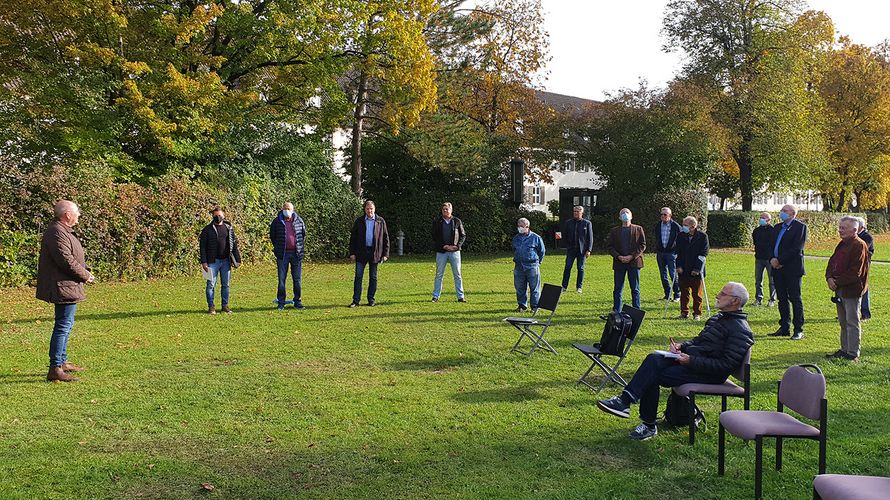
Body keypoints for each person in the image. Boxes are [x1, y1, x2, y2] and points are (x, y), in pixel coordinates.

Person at [596, 282, 755, 440]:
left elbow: (726, 366)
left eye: (723, 294)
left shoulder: (741, 330)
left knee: (653, 374)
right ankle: (630, 406)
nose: (717, 296)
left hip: (710, 374)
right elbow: (698, 341)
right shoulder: (718, 318)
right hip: (694, 363)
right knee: (654, 358)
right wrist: (682, 347)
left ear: (735, 301)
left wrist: (691, 361)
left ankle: (640, 417)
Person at [36, 200, 95, 382]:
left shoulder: (61, 231)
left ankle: (62, 361)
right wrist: (85, 275)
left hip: (67, 285)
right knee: (63, 325)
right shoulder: (56, 232)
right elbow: (66, 260)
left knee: (66, 324)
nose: (78, 216)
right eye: (76, 213)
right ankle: (55, 368)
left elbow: (70, 257)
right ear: (67, 215)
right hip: (62, 286)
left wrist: (85, 271)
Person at [825, 217, 870, 361]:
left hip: (851, 290)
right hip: (840, 289)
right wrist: (829, 277)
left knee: (852, 322)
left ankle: (852, 353)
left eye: (843, 228)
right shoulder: (842, 244)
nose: (840, 230)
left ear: (854, 230)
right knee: (843, 322)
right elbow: (832, 262)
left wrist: (836, 282)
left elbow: (855, 272)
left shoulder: (859, 245)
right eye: (840, 227)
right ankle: (844, 349)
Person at [767, 204, 808, 340]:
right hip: (777, 268)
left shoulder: (800, 227)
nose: (781, 213)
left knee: (795, 298)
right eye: (781, 210)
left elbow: (797, 248)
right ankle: (785, 326)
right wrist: (772, 259)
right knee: (782, 298)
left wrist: (780, 260)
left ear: (792, 214)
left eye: (785, 211)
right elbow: (771, 245)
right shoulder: (778, 227)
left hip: (792, 269)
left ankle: (798, 329)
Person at [199, 206, 242, 314]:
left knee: (226, 284)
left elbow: (234, 244)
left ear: (223, 215)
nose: (217, 217)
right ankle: (211, 307)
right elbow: (202, 247)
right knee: (210, 285)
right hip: (211, 262)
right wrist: (203, 262)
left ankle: (225, 306)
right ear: (212, 216)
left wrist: (237, 259)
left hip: (226, 262)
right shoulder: (207, 230)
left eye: (219, 215)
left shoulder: (229, 228)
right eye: (215, 215)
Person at [349, 200, 389, 307]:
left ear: (374, 209)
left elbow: (386, 238)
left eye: (371, 209)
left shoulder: (380, 221)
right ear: (364, 209)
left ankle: (371, 299)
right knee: (358, 276)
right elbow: (353, 238)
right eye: (367, 209)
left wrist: (385, 254)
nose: (369, 211)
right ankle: (356, 300)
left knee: (373, 277)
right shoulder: (359, 221)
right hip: (361, 252)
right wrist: (352, 253)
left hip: (375, 252)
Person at [605, 208, 646, 311]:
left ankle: (636, 309)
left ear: (631, 216)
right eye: (623, 213)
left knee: (635, 288)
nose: (625, 214)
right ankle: (616, 310)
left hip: (634, 263)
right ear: (619, 217)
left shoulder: (638, 229)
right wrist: (619, 257)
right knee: (618, 289)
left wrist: (632, 256)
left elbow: (642, 245)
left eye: (627, 213)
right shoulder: (614, 231)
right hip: (619, 263)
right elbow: (610, 247)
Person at [269, 202, 307, 310]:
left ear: (293, 210)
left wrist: (298, 247)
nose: (287, 210)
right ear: (282, 209)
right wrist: (278, 247)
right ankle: (281, 302)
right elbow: (273, 236)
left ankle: (297, 301)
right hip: (282, 254)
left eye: (289, 208)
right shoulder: (277, 221)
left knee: (297, 279)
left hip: (296, 254)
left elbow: (303, 235)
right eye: (285, 208)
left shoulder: (299, 221)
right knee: (282, 279)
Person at [431, 202, 466, 303]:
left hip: (455, 252)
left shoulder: (457, 221)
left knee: (457, 274)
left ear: (451, 210)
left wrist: (457, 246)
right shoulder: (437, 222)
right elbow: (434, 236)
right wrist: (443, 246)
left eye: (447, 209)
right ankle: (435, 296)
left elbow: (463, 235)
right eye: (443, 209)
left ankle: (460, 296)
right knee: (439, 274)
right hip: (441, 251)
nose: (445, 211)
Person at [676, 216, 709, 321]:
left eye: (685, 225)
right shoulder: (681, 236)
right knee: (684, 293)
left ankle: (697, 313)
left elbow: (703, 254)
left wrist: (697, 269)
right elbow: (677, 252)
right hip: (683, 269)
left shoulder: (702, 236)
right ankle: (684, 312)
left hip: (696, 270)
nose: (683, 227)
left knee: (697, 294)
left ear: (693, 226)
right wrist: (678, 266)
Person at [512, 217, 545, 312]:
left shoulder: (536, 238)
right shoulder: (516, 238)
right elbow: (514, 249)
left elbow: (541, 251)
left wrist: (538, 262)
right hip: (519, 266)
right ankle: (522, 306)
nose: (519, 228)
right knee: (520, 287)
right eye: (518, 226)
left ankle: (535, 307)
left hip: (532, 266)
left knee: (534, 288)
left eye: (521, 226)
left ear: (527, 226)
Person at [561, 205, 594, 293]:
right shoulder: (568, 223)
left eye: (578, 211)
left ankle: (579, 287)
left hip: (582, 251)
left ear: (582, 213)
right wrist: (567, 245)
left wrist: (589, 250)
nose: (576, 213)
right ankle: (564, 286)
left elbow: (590, 238)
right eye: (575, 211)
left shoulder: (587, 223)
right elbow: (564, 235)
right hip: (571, 249)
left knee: (580, 268)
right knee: (567, 267)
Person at [653, 207, 681, 302]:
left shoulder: (676, 226)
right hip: (661, 253)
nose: (663, 216)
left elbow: (681, 239)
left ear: (670, 215)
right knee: (663, 274)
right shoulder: (658, 225)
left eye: (665, 214)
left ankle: (677, 294)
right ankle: (667, 294)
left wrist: (676, 250)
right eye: (662, 214)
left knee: (673, 274)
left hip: (671, 253)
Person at [752, 211, 776, 307]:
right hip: (759, 258)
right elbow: (755, 242)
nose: (761, 219)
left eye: (763, 217)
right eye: (760, 217)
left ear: (769, 220)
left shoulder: (773, 231)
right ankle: (758, 298)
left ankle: (772, 299)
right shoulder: (756, 231)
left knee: (772, 281)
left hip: (769, 259)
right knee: (758, 280)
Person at [855, 217, 874, 320]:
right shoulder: (854, 236)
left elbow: (863, 250)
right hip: (853, 265)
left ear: (861, 226)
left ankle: (865, 313)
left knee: (864, 287)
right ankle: (851, 312)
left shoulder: (867, 237)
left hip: (863, 266)